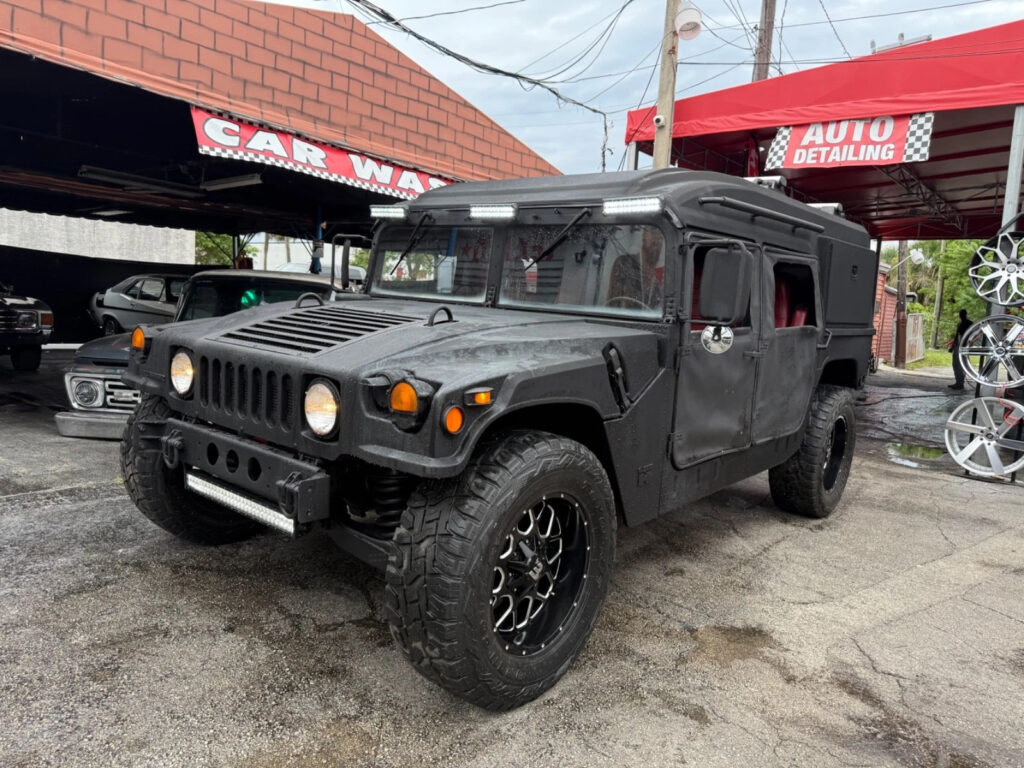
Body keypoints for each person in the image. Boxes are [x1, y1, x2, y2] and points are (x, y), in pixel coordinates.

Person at [949, 308, 972, 390]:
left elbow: (972, 336)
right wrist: (952, 347)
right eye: (960, 314)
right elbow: (956, 336)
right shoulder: (959, 324)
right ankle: (958, 382)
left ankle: (960, 382)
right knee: (955, 364)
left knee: (962, 364)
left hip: (965, 346)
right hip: (958, 345)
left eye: (962, 314)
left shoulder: (970, 324)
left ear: (965, 314)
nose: (961, 316)